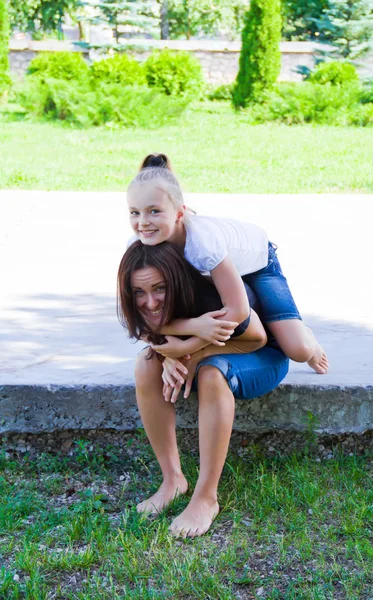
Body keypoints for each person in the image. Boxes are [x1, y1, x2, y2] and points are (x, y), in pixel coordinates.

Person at [117, 241, 289, 538]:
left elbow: (256, 338)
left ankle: (206, 498)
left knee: (211, 373)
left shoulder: (210, 297)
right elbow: (152, 338)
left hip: (264, 354)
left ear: (176, 281)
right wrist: (169, 355)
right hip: (217, 349)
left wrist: (193, 355)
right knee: (146, 364)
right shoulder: (140, 305)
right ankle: (173, 480)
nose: (150, 302)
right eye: (139, 292)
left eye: (159, 289)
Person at [126, 153, 329, 375]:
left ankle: (304, 333)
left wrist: (188, 346)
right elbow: (139, 318)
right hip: (219, 271)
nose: (143, 222)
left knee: (299, 350)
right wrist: (194, 327)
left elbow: (238, 311)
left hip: (259, 264)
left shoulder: (203, 243)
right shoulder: (138, 246)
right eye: (135, 212)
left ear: (179, 212)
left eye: (154, 211)